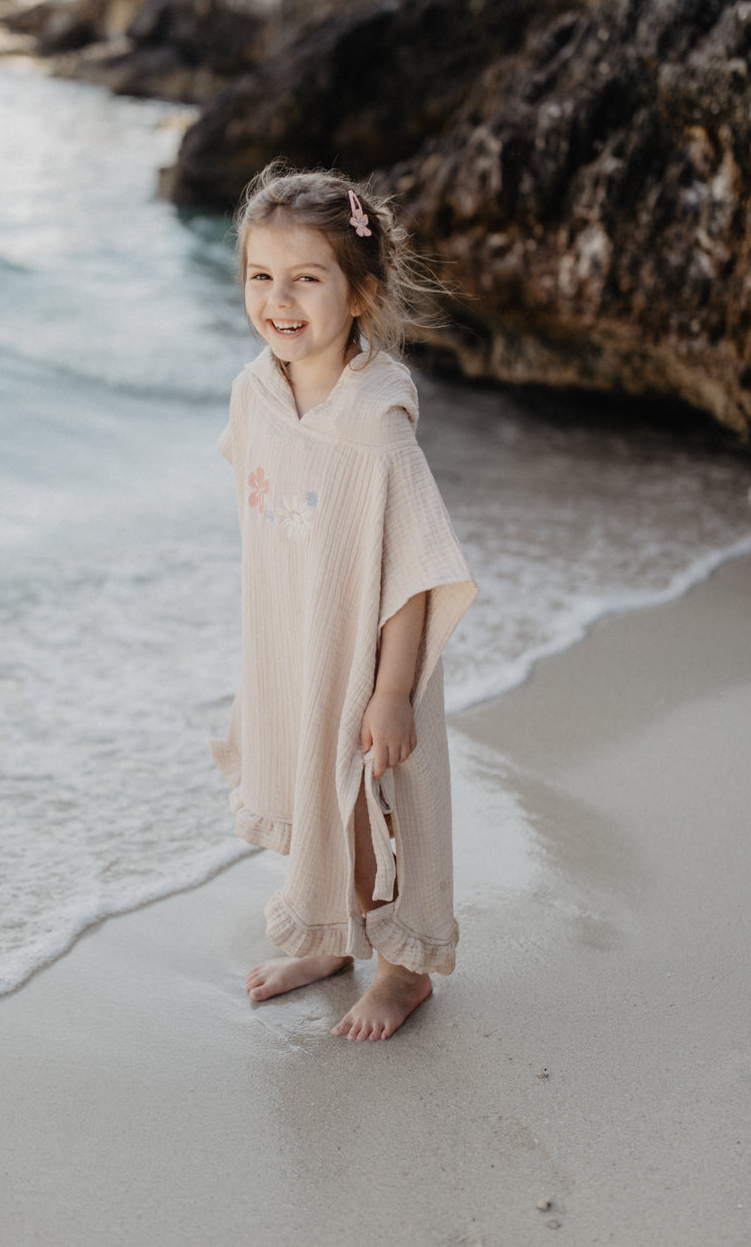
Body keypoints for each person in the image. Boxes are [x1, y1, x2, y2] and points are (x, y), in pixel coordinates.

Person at [211, 164, 476, 1041]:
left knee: (385, 807)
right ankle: (332, 936)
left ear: (359, 293)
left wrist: (393, 690)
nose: (278, 300)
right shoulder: (258, 388)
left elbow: (416, 569)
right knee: (322, 799)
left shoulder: (376, 426)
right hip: (299, 641)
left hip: (372, 659)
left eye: (306, 279)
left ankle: (404, 971)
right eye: (261, 276)